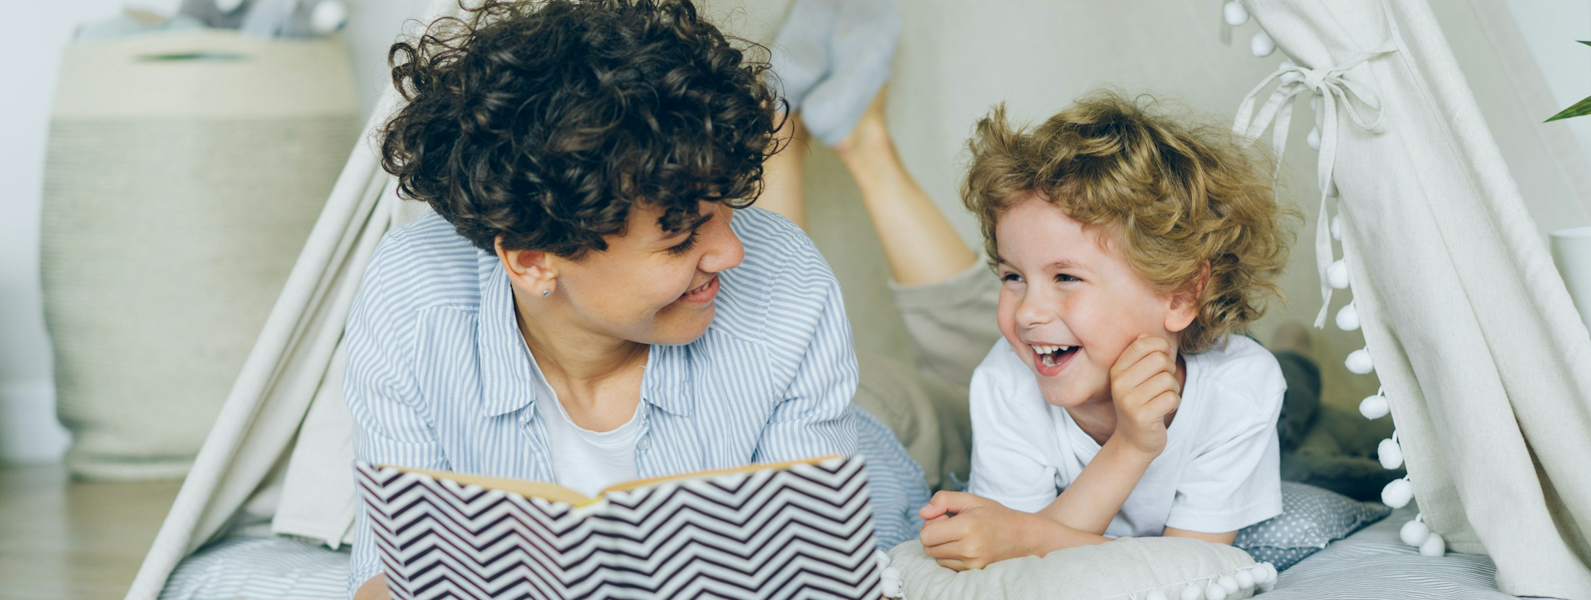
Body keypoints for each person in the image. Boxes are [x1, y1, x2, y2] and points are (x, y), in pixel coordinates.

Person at [343, 1, 927, 598]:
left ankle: (841, 129)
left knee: (956, 396)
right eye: (679, 239)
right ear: (533, 260)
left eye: (730, 205)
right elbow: (390, 577)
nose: (732, 251)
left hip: (873, 425)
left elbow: (814, 572)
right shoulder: (410, 298)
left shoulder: (789, 283)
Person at [761, 82, 1309, 570]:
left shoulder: (1240, 387)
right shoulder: (1005, 382)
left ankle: (1299, 351)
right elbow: (1015, 561)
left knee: (1298, 395)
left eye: (1067, 276)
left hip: (1247, 375)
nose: (1026, 312)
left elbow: (1197, 568)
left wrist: (1034, 528)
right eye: (1012, 275)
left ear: (1182, 292)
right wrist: (1128, 447)